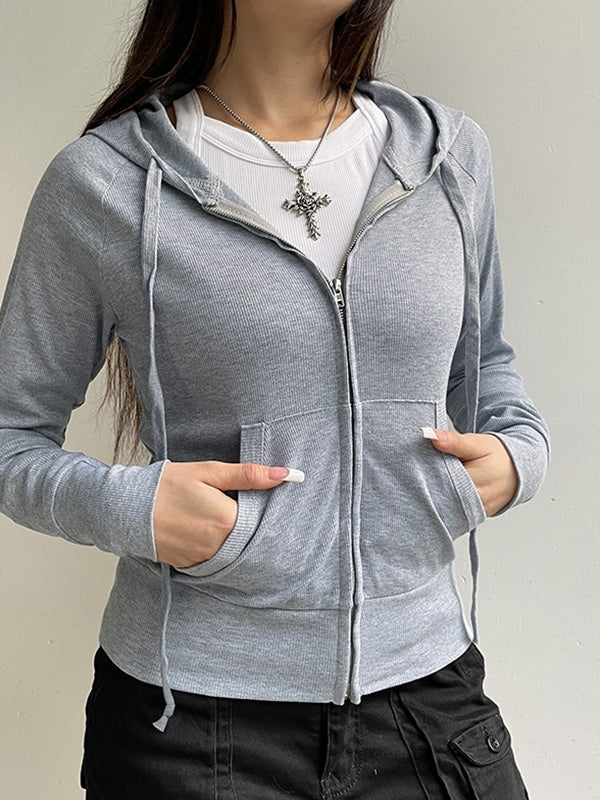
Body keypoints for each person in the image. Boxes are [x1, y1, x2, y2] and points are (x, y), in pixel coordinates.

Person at [0, 1, 550, 797]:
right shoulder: (105, 183)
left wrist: (518, 455)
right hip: (190, 721)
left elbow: (485, 366)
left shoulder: (449, 155)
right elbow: (11, 433)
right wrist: (134, 507)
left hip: (429, 695)